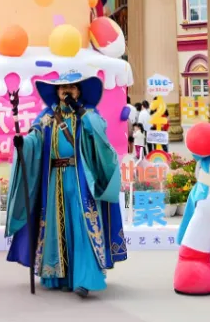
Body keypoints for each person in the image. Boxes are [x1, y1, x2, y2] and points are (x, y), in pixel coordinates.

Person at [7, 71, 125, 298]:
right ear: (57, 92)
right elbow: (35, 138)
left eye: (71, 87)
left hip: (81, 178)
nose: (66, 91)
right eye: (62, 88)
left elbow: (99, 132)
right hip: (54, 178)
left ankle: (85, 279)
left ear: (78, 91)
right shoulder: (47, 116)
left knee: (83, 226)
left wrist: (81, 111)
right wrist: (24, 143)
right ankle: (59, 276)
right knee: (55, 225)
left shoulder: (88, 113)